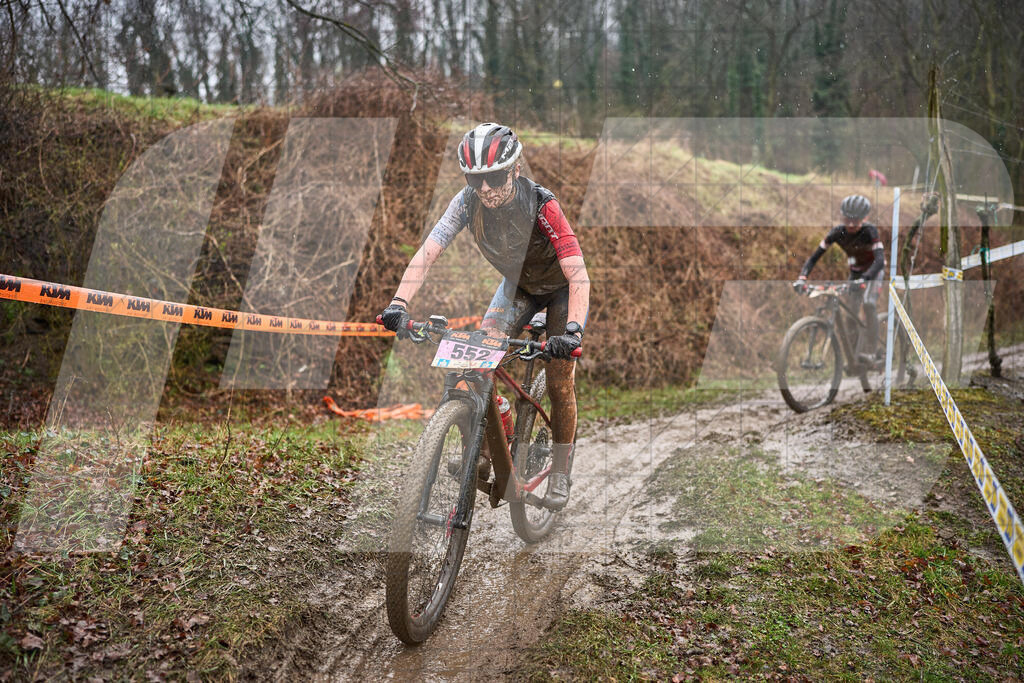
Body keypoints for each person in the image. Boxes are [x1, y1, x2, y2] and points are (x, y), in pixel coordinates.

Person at [379, 123, 590, 512]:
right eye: (475, 179)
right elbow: (428, 252)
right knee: (479, 356)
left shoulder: (542, 204)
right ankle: (485, 448)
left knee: (560, 380)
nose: (486, 188)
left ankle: (560, 469)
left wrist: (573, 331)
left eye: (494, 177)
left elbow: (577, 273)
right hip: (517, 289)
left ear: (515, 170)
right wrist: (399, 304)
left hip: (561, 292)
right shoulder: (466, 202)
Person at [794, 194, 885, 364]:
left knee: (869, 303)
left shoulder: (870, 231)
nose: (850, 225)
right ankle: (855, 357)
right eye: (847, 219)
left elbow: (880, 260)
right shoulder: (837, 232)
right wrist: (802, 277)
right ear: (842, 216)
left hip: (874, 272)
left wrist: (866, 278)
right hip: (856, 273)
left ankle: (872, 350)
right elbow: (814, 257)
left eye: (855, 221)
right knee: (850, 317)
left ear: (864, 218)